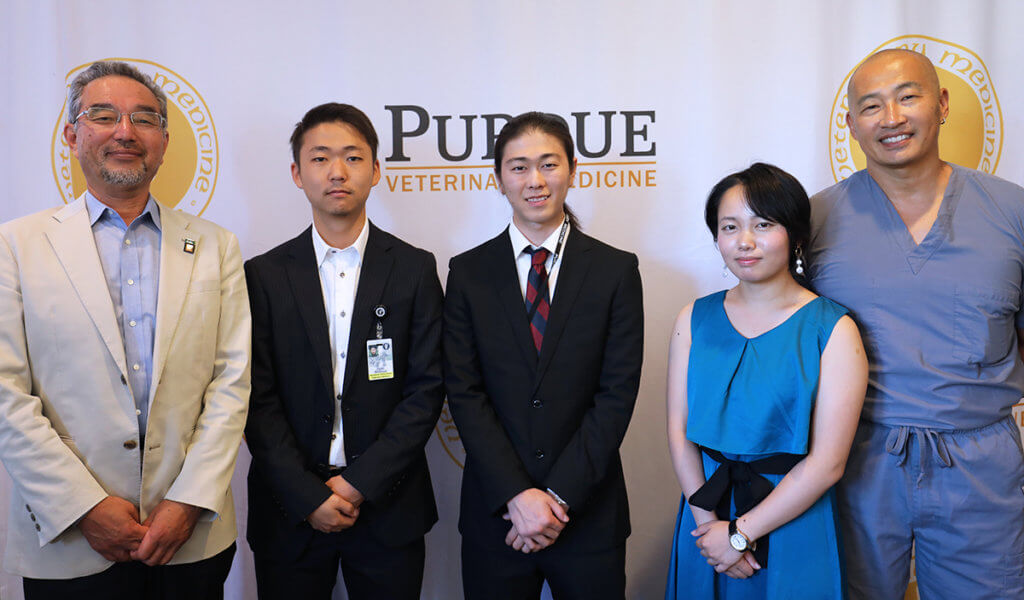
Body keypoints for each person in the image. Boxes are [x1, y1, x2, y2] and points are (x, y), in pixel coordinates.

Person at [0, 61, 250, 599]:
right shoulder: (15, 246)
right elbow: (6, 394)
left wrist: (188, 502)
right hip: (66, 537)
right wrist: (82, 506)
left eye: (143, 119)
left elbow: (232, 384)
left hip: (189, 535)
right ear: (72, 135)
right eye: (104, 116)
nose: (124, 132)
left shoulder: (216, 245)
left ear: (163, 139)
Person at [808, 48, 1024, 600]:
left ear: (942, 104)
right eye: (872, 106)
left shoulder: (1012, 213)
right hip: (854, 462)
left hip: (981, 468)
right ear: (852, 124)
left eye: (908, 97)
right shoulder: (813, 220)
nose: (893, 118)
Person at [243, 103, 445, 600]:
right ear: (297, 172)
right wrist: (308, 495)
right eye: (320, 158)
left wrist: (358, 483)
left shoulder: (414, 269)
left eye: (353, 157)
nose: (337, 172)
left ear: (376, 170)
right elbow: (253, 396)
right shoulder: (264, 275)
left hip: (388, 507)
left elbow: (426, 389)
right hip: (289, 510)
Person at [444, 111, 644, 600]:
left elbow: (616, 396)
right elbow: (464, 394)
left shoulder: (615, 271)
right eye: (518, 167)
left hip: (587, 514)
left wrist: (554, 499)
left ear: (573, 169)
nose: (535, 181)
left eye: (548, 164)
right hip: (499, 516)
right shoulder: (468, 273)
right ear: (498, 179)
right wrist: (517, 496)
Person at [665, 163, 867, 599]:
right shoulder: (693, 319)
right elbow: (679, 433)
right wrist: (710, 531)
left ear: (794, 234)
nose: (745, 241)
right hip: (706, 517)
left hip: (793, 520)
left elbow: (828, 462)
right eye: (730, 227)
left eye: (763, 224)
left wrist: (739, 535)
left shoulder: (832, 329)